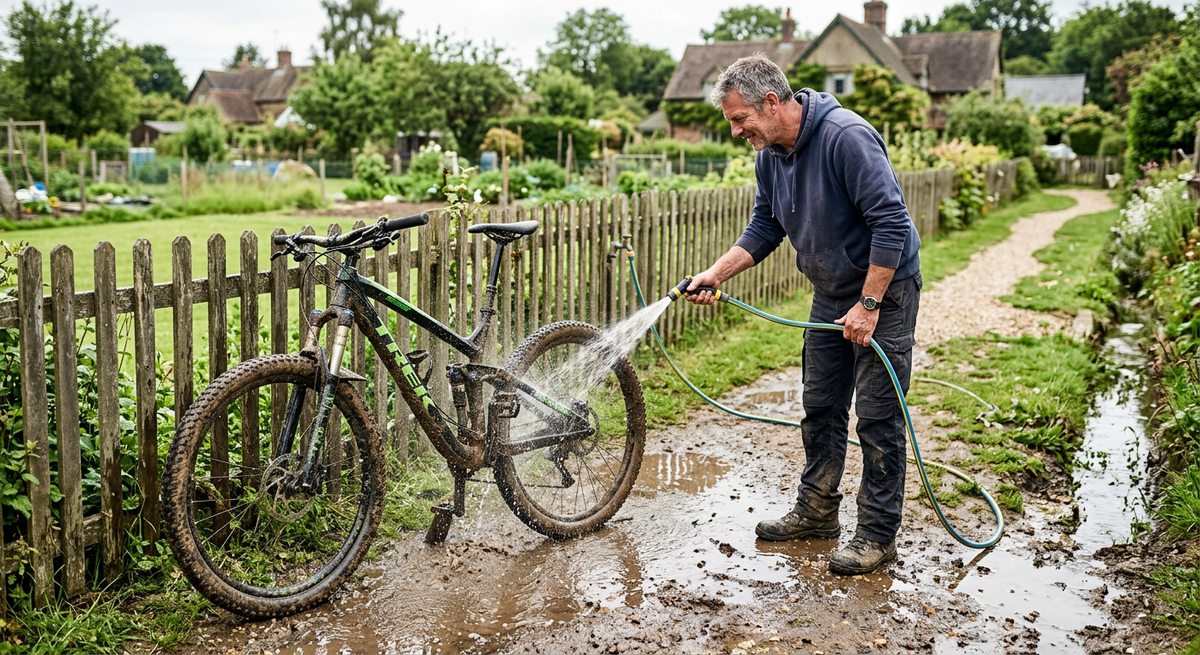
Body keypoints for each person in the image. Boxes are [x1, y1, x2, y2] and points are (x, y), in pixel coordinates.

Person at [686, 55, 921, 576]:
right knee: (820, 407)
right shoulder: (770, 155)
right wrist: (715, 274)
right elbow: (764, 228)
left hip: (885, 291)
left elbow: (892, 223)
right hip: (830, 292)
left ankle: (878, 536)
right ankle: (816, 512)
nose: (735, 130)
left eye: (738, 117)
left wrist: (869, 304)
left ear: (771, 102)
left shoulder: (846, 137)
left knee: (879, 418)